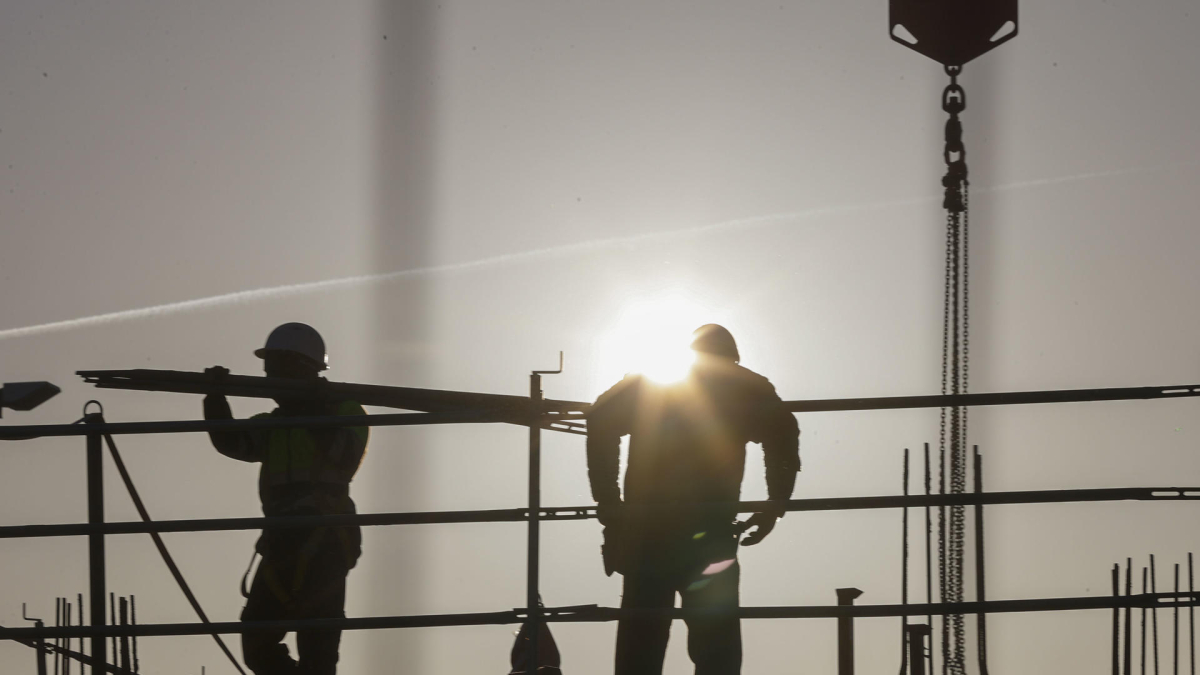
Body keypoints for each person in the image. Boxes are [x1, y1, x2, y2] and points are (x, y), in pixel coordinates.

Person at [586, 324, 800, 675]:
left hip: (648, 534)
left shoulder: (653, 381)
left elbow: (600, 419)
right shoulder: (746, 387)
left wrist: (610, 505)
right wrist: (774, 504)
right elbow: (784, 435)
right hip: (709, 533)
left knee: (642, 641)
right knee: (717, 646)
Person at [203, 322, 368, 675]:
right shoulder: (274, 423)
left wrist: (313, 408)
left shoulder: (345, 409)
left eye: (276, 371)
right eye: (268, 373)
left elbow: (343, 455)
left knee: (318, 654)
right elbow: (231, 441)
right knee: (257, 641)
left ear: (302, 369)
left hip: (326, 543)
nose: (268, 381)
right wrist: (215, 398)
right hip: (283, 543)